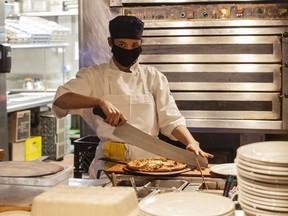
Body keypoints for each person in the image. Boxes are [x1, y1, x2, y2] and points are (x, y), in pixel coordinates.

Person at [52, 15, 214, 178]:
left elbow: (171, 120)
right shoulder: (94, 75)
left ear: (141, 44)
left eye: (134, 45)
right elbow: (61, 99)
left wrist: (191, 142)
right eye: (122, 44)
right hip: (109, 165)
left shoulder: (153, 77)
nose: (128, 50)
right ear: (110, 42)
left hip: (150, 163)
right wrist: (99, 102)